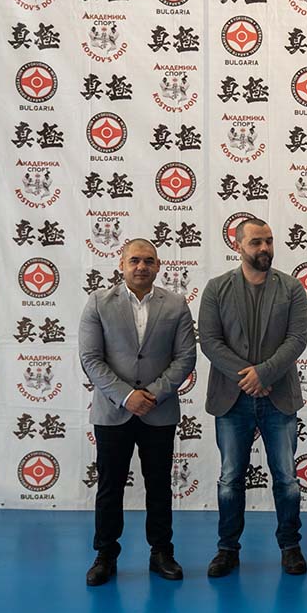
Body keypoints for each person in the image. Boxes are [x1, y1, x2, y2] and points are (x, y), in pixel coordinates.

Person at [79, 238, 197, 585]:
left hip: (158, 412)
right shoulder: (98, 302)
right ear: (121, 264)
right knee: (110, 487)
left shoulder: (176, 304)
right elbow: (90, 358)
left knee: (159, 486)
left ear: (158, 266)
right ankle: (105, 555)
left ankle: (162, 552)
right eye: (134, 260)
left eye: (148, 260)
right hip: (113, 411)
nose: (141, 266)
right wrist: (126, 396)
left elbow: (185, 357)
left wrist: (153, 395)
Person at [199, 218, 307, 576]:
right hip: (231, 400)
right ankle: (227, 549)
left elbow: (297, 338)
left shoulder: (292, 288)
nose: (265, 248)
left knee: (287, 478)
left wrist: (264, 373)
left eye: (269, 241)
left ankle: (290, 546)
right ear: (238, 246)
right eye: (256, 242)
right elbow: (210, 341)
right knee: (230, 478)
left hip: (279, 396)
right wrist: (248, 377)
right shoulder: (216, 289)